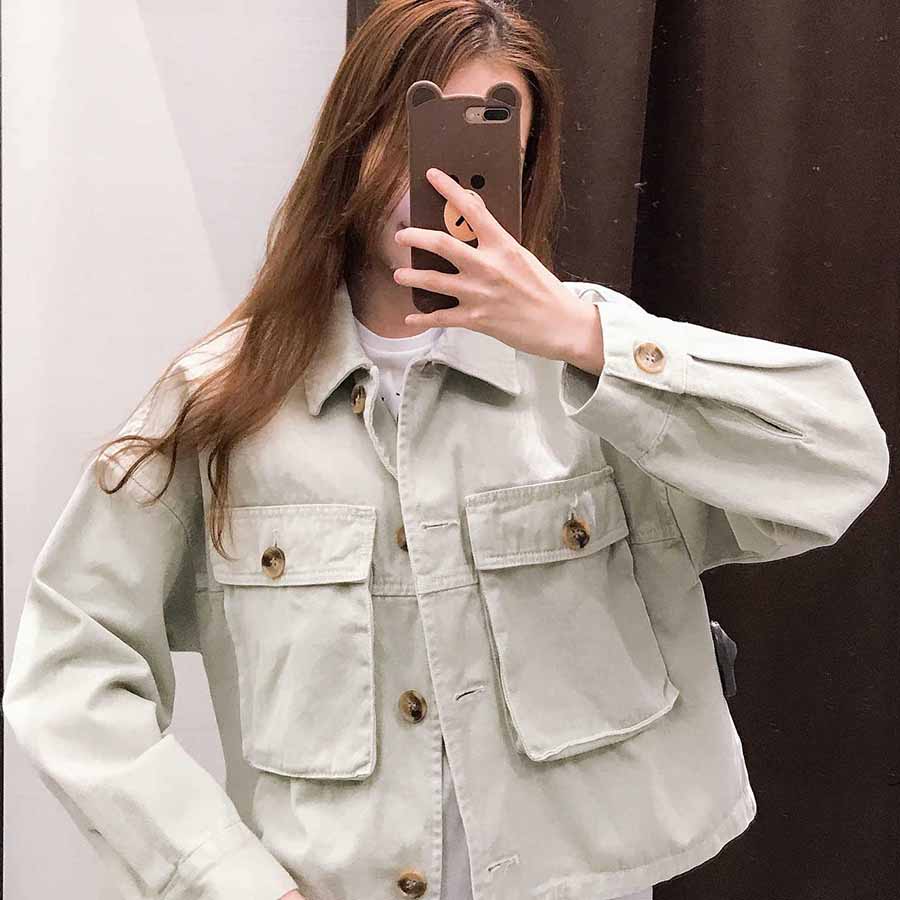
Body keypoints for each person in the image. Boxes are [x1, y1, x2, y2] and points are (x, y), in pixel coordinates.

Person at [2, 2, 890, 900]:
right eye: (416, 126)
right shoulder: (224, 402)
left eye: (484, 140)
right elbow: (70, 666)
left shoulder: (594, 377)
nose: (441, 177)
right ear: (353, 139)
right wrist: (220, 877)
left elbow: (838, 459)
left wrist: (581, 336)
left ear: (522, 169)